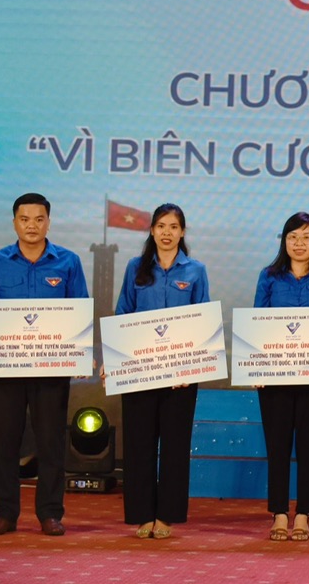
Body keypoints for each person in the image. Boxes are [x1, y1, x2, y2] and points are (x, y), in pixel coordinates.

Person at [0, 193, 88, 537]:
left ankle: (50, 514)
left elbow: (80, 310)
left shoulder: (68, 262)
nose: (32, 226)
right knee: (6, 442)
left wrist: (82, 353)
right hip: (5, 369)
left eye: (39, 219)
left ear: (48, 222)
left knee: (51, 442)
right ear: (14, 223)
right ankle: (5, 514)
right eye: (24, 219)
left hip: (52, 369)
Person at [113, 203, 209, 539]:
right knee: (138, 445)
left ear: (182, 232)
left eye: (173, 227)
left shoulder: (196, 270)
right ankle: (143, 515)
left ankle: (166, 515)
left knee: (175, 446)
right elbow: (123, 313)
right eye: (161, 226)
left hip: (181, 377)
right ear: (152, 230)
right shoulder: (135, 267)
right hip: (140, 372)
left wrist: (192, 366)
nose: (167, 233)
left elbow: (202, 320)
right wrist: (115, 360)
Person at [253, 212, 309, 542]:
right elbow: (257, 323)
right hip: (274, 378)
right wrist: (255, 367)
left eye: (307, 237)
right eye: (293, 237)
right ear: (284, 241)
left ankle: (303, 513)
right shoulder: (269, 276)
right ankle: (279, 513)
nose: (299, 243)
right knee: (277, 447)